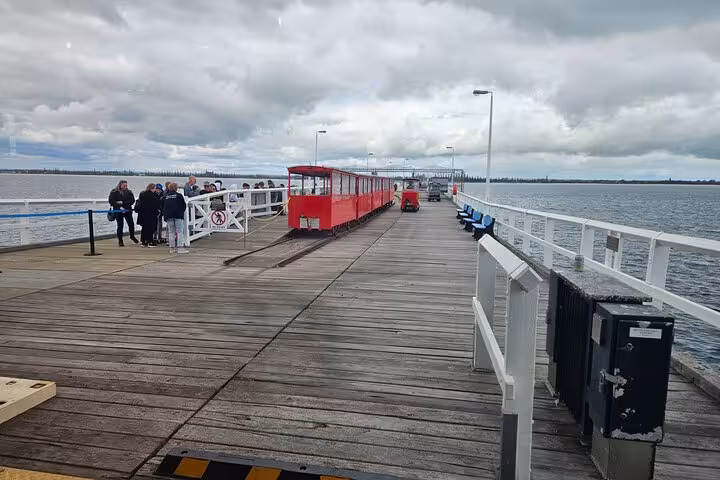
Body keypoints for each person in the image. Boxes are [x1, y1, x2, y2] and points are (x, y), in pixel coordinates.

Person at [108, 180, 138, 247]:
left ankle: (132, 236)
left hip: (127, 210)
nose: (125, 187)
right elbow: (111, 201)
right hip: (118, 210)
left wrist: (123, 203)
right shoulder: (114, 192)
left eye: (126, 185)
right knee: (120, 225)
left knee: (131, 224)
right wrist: (119, 206)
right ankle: (120, 241)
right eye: (124, 185)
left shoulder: (129, 192)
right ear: (120, 185)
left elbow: (132, 201)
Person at [162, 182, 188, 254]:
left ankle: (172, 248)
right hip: (178, 215)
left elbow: (161, 206)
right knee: (179, 231)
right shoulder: (179, 195)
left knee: (171, 232)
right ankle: (180, 248)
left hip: (168, 216)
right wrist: (180, 212)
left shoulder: (165, 196)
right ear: (176, 188)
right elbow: (183, 205)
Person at [135, 183, 161, 247]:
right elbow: (157, 204)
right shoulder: (153, 195)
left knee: (144, 228)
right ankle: (150, 242)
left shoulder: (142, 194)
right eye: (155, 188)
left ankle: (143, 242)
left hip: (142, 214)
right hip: (151, 214)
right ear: (152, 188)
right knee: (151, 228)